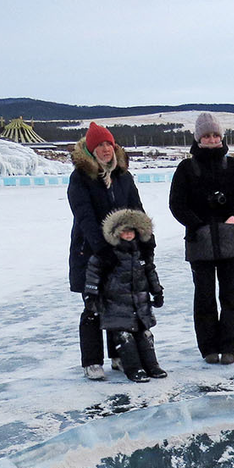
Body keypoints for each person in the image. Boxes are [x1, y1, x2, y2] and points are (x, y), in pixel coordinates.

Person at [168, 113, 234, 366]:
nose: (211, 139)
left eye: (215, 135)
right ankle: (208, 347)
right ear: (198, 138)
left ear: (221, 137)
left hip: (230, 239)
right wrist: (197, 223)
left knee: (231, 295)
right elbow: (176, 204)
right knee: (204, 297)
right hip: (200, 241)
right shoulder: (186, 168)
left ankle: (229, 346)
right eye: (206, 135)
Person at [68, 122, 144, 380]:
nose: (105, 149)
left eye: (108, 144)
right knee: (93, 305)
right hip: (89, 251)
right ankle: (91, 361)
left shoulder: (123, 175)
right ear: (91, 149)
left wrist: (144, 237)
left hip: (121, 250)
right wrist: (101, 249)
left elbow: (136, 209)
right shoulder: (80, 177)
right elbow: (85, 217)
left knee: (118, 305)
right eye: (99, 145)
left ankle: (119, 356)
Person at [83, 209, 167, 382]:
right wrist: (91, 294)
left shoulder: (141, 252)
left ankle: (152, 366)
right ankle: (133, 368)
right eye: (124, 232)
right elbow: (93, 272)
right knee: (124, 336)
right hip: (116, 305)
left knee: (145, 335)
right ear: (116, 233)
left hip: (140, 304)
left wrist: (157, 291)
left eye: (131, 232)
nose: (128, 235)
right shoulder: (108, 254)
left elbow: (150, 272)